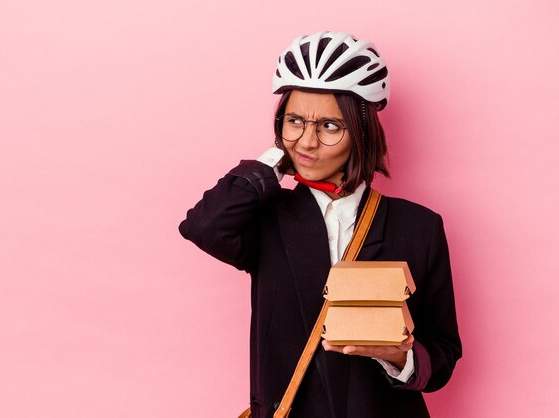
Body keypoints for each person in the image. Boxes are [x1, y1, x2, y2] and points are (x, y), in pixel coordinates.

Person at [179, 31, 462, 418]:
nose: (307, 142)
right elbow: (204, 227)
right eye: (294, 121)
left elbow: (444, 353)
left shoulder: (419, 227)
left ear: (361, 133)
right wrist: (270, 163)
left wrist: (400, 356)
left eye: (329, 126)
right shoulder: (267, 219)